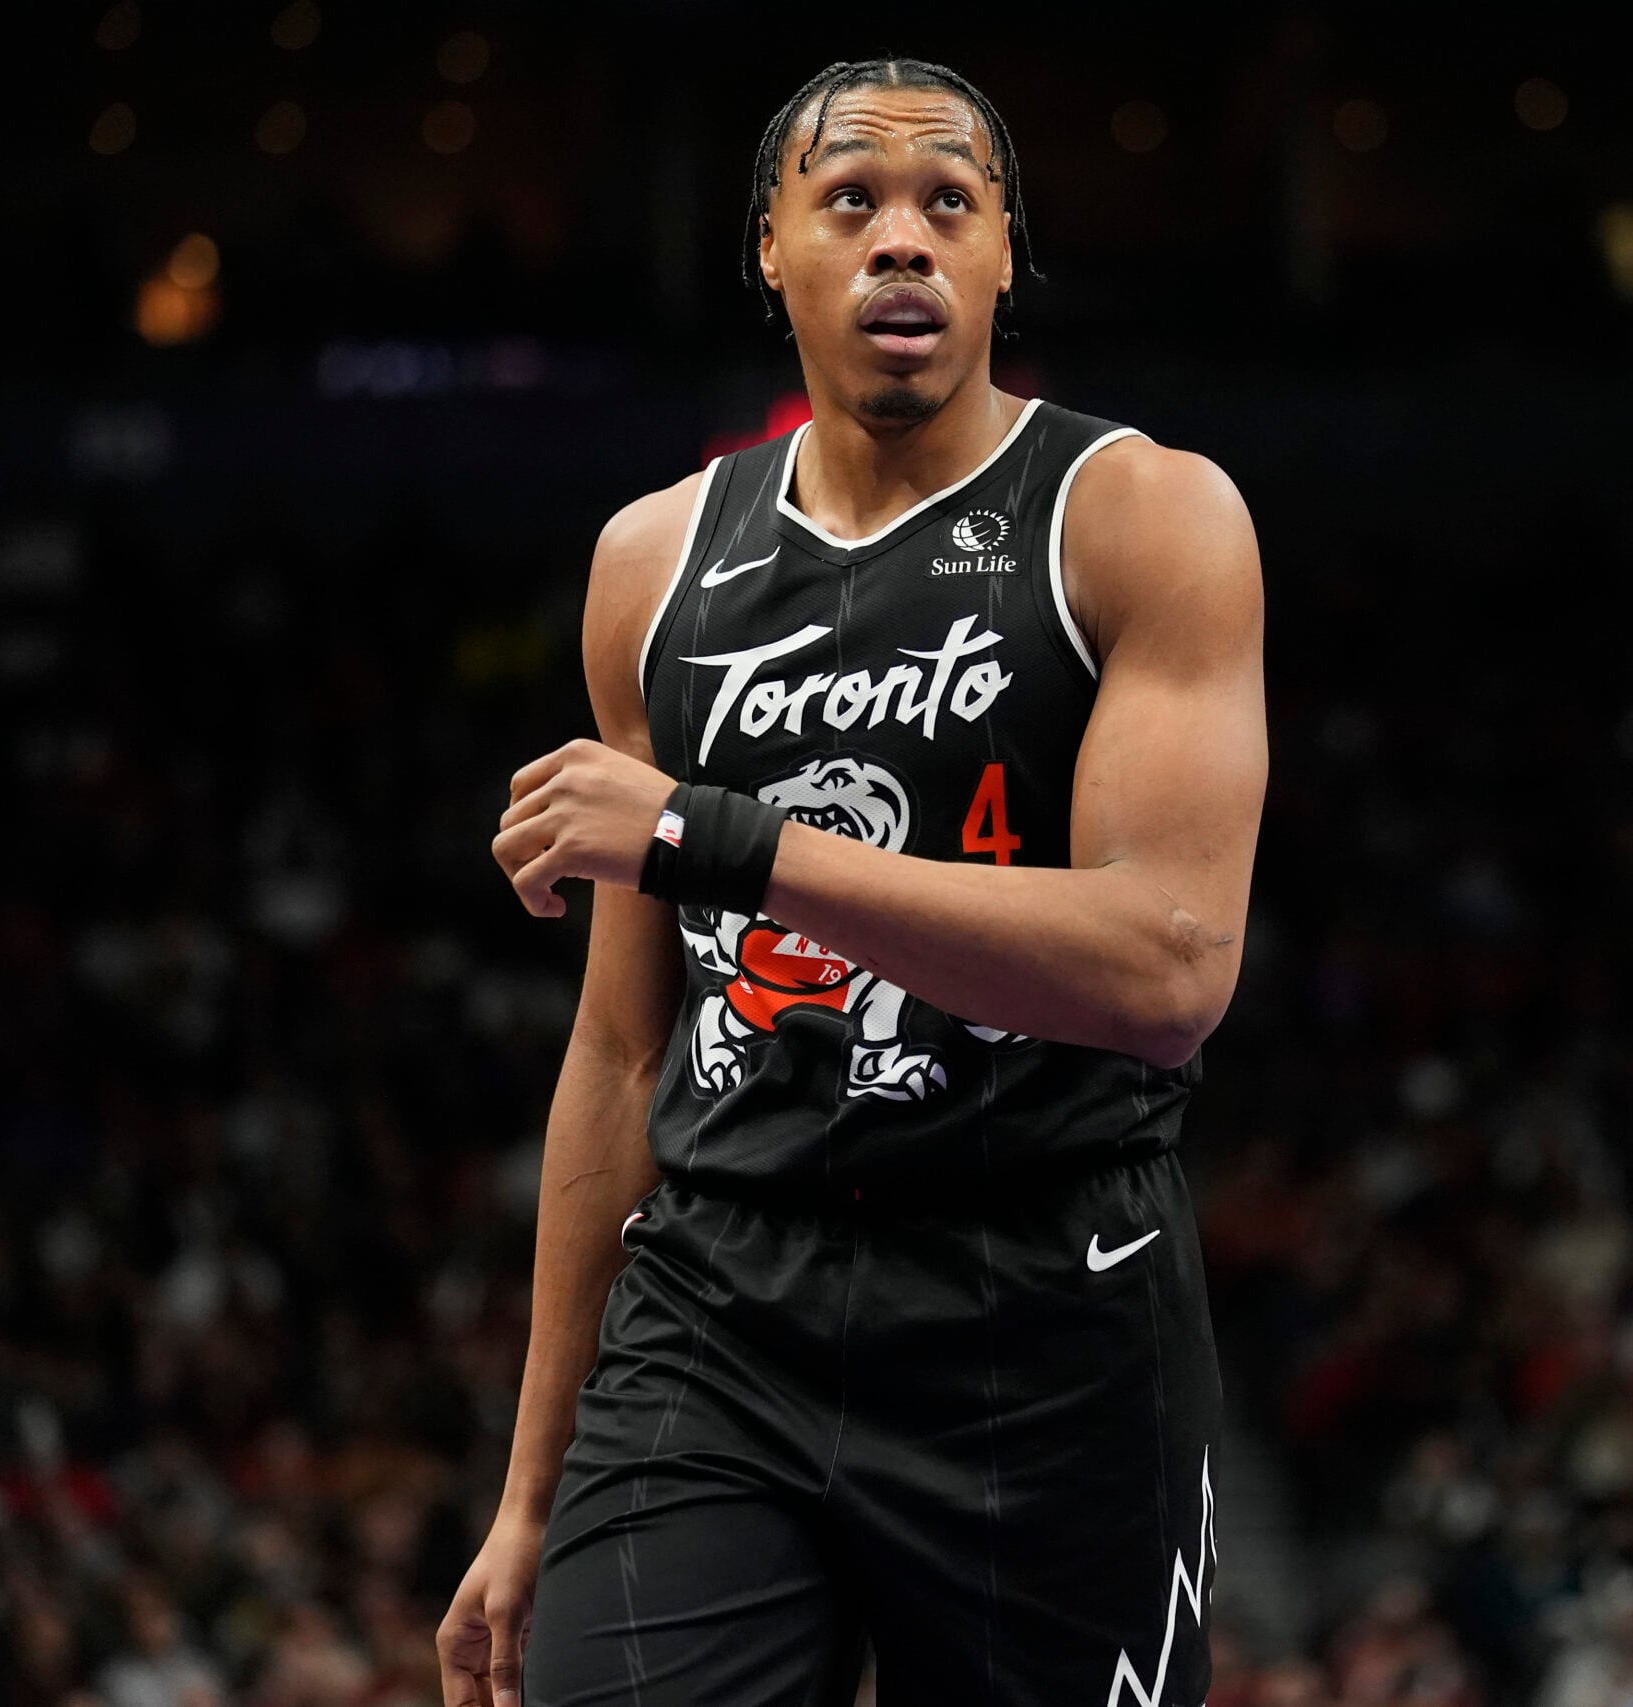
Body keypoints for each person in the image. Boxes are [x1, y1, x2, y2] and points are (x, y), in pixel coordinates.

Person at [438, 56, 1266, 1707]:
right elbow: (617, 1056)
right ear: (773, 248)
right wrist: (529, 1493)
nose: (905, 241)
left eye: (950, 204)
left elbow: (1168, 973)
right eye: (854, 202)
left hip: (1040, 1311)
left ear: (1005, 256)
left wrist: (716, 836)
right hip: (722, 1307)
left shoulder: (1139, 516)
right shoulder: (651, 565)